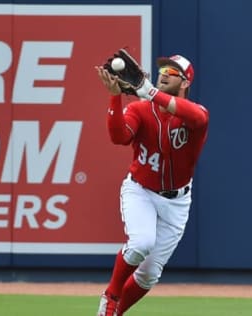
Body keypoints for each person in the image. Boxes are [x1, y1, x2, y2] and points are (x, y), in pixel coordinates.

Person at [94, 54, 209, 316]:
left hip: (177, 202)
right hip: (141, 191)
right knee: (141, 243)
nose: (164, 72)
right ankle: (110, 296)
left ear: (185, 82)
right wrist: (115, 97)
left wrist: (149, 91)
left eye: (172, 70)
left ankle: (112, 314)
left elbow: (198, 118)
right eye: (162, 69)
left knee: (148, 275)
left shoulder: (196, 115)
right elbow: (118, 137)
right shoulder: (139, 109)